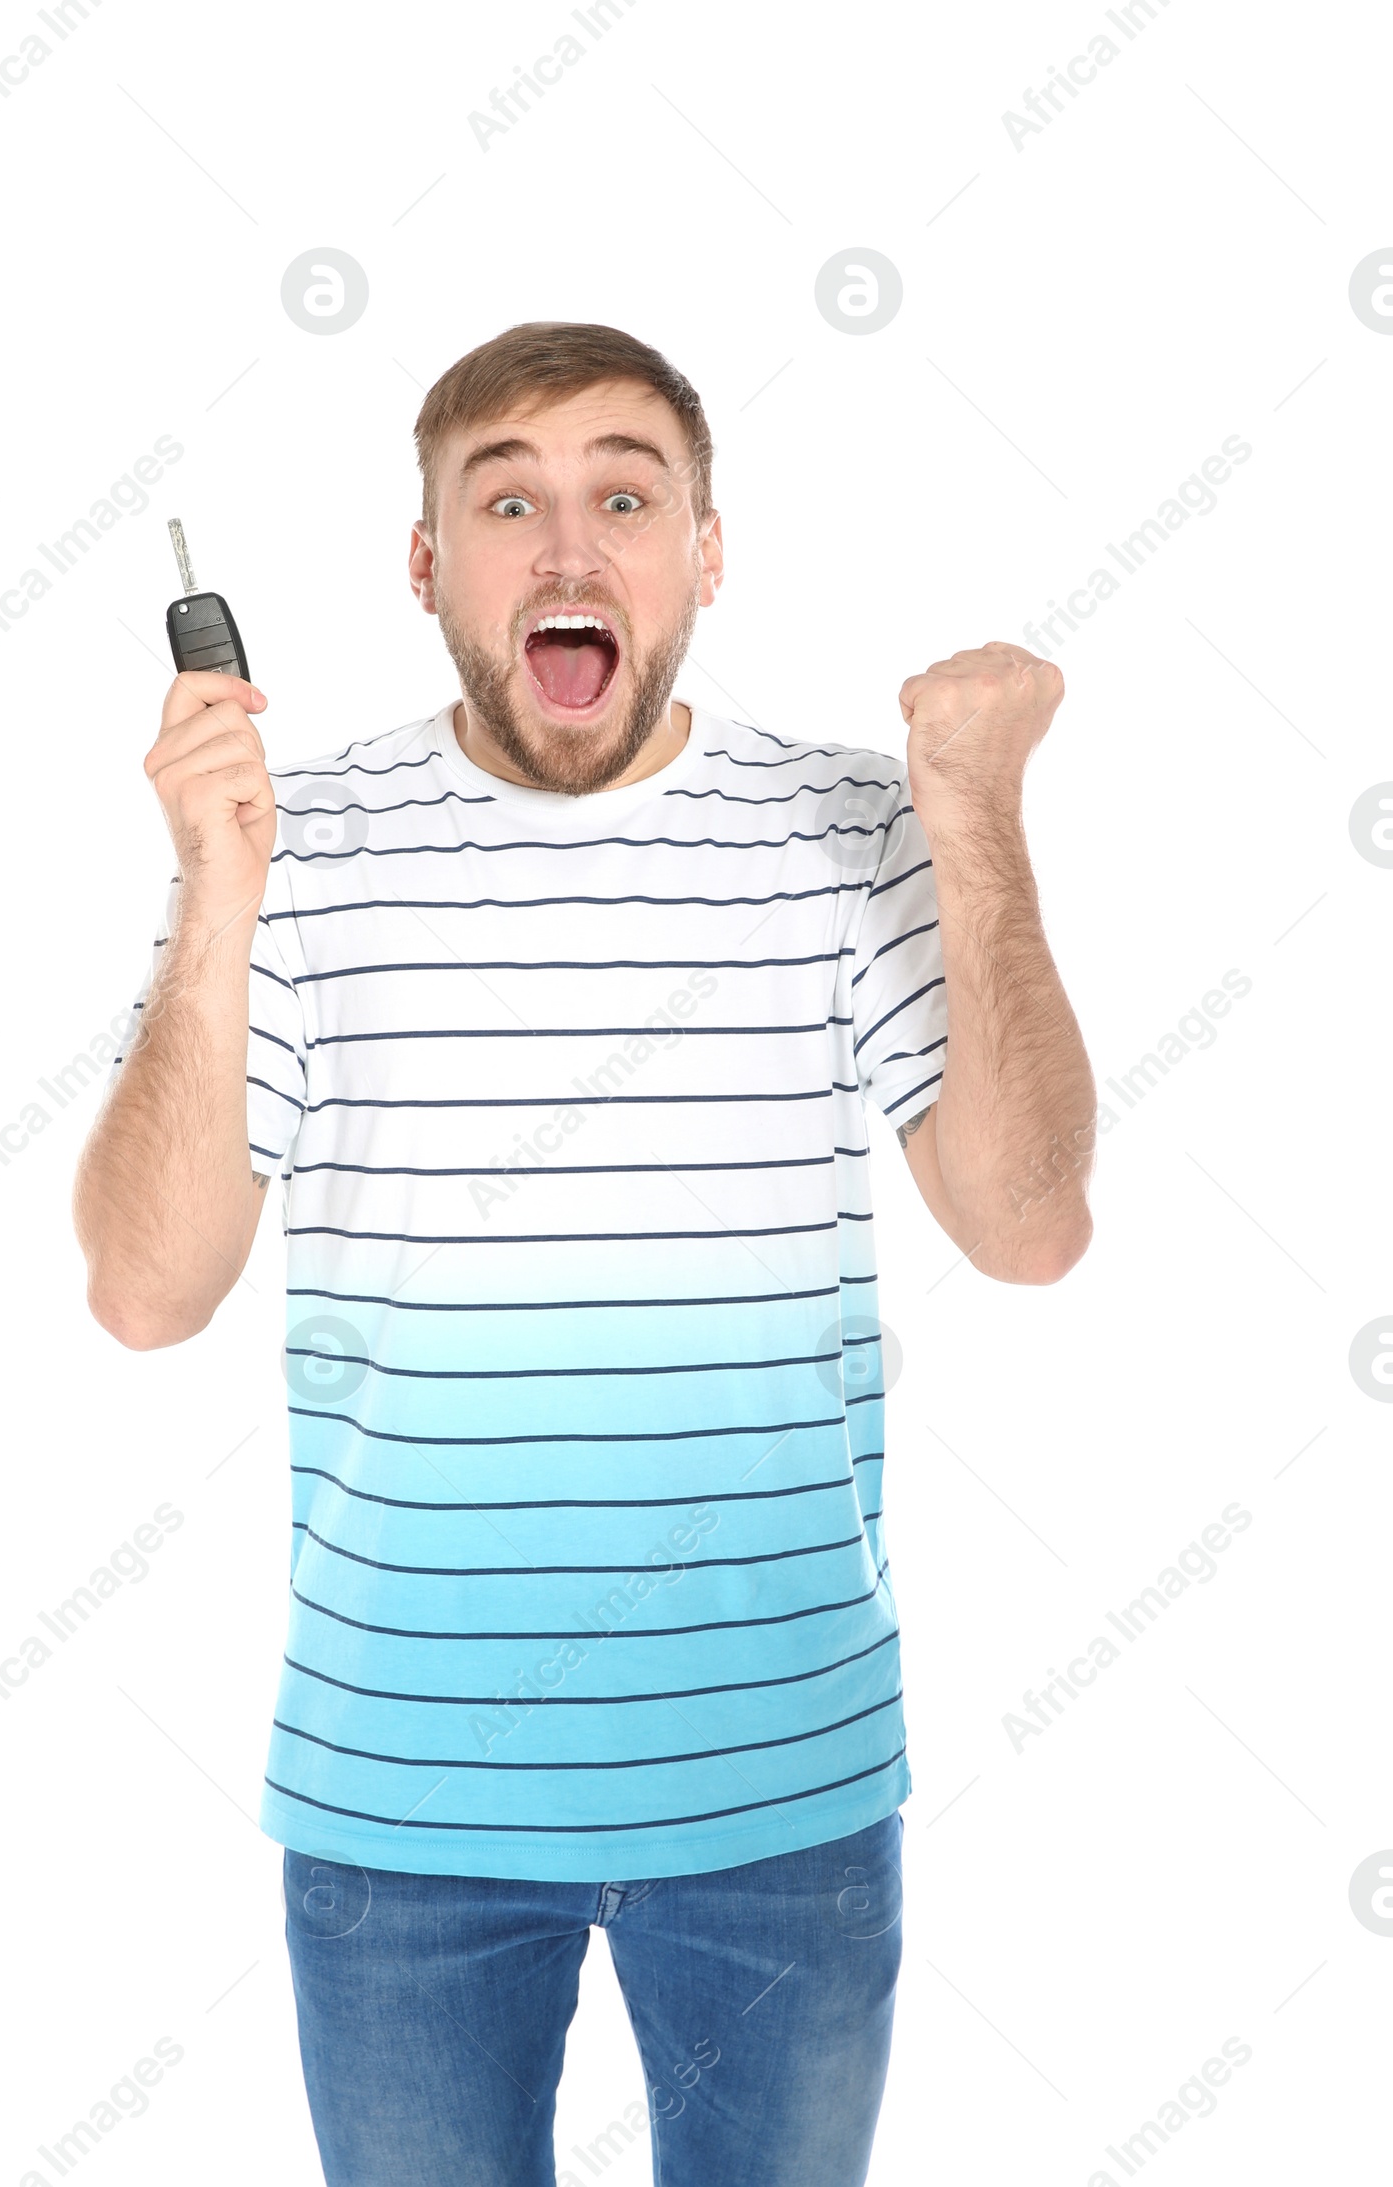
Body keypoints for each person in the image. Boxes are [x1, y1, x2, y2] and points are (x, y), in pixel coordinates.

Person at [74, 321, 1094, 2187]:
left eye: (626, 498)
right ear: (424, 565)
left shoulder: (855, 822)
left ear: (705, 555)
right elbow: (148, 1291)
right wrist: (218, 897)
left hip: (782, 1785)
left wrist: (980, 823)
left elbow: (1027, 1229)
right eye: (509, 502)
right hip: (403, 1801)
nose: (570, 551)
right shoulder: (292, 852)